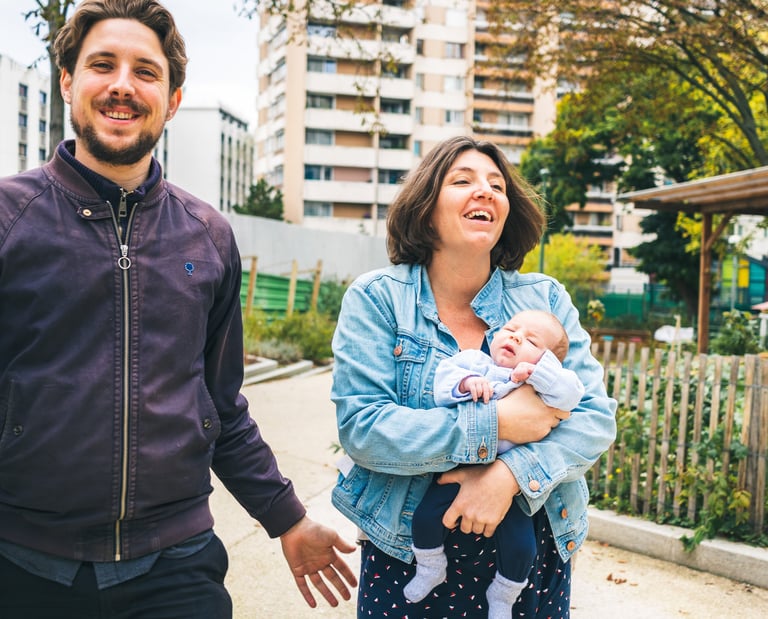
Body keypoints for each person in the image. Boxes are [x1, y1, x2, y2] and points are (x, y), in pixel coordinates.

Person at [0, 1, 356, 617]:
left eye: (145, 71)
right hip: (22, 561)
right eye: (102, 65)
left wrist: (287, 520)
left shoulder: (207, 236)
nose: (121, 85)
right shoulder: (9, 220)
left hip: (175, 565)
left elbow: (220, 407)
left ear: (173, 98)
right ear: (67, 80)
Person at [330, 135, 617, 617]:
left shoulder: (545, 299)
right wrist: (496, 424)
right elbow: (364, 427)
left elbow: (593, 419)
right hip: (406, 549)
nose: (484, 191)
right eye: (462, 181)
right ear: (425, 208)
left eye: (496, 185)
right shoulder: (378, 298)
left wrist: (506, 476)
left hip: (530, 550)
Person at [405, 309, 585, 617]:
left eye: (531, 340)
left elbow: (573, 393)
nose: (516, 336)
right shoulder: (477, 364)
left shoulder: (546, 386)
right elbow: (442, 381)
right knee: (424, 518)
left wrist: (537, 373)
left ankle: (503, 595)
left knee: (521, 546)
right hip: (459, 470)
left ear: (549, 362)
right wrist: (466, 384)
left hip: (512, 485)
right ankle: (430, 566)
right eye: (512, 328)